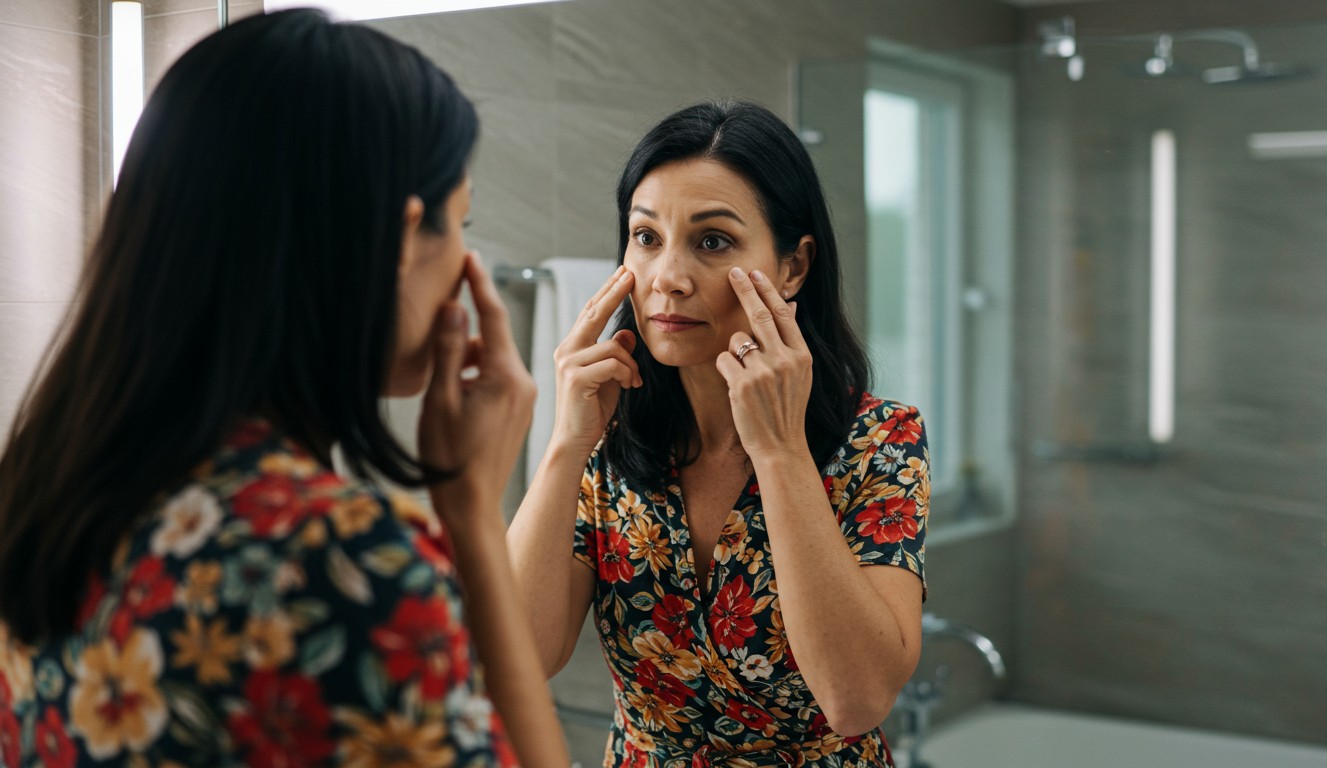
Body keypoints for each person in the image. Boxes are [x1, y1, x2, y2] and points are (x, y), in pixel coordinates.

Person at [0, 10, 567, 767]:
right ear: (401, 240)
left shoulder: (44, 497)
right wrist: (468, 510)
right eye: (461, 221)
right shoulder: (337, 560)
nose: (466, 262)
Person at [509, 100, 930, 767]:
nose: (667, 279)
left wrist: (781, 452)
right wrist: (564, 445)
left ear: (793, 266)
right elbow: (516, 665)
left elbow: (858, 701)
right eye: (646, 237)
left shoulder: (879, 440)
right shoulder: (607, 438)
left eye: (712, 241)